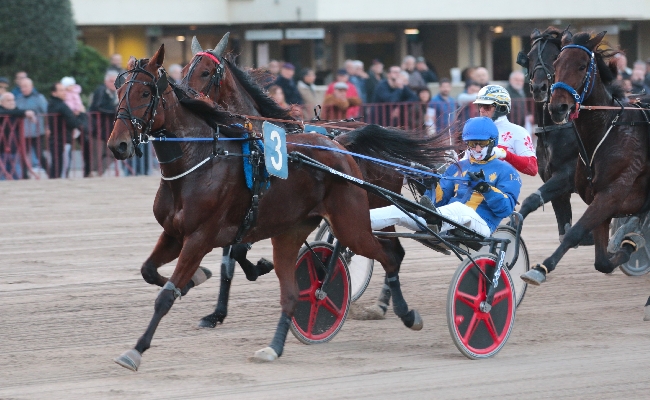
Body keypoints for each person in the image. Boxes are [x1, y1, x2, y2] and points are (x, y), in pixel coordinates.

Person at [370, 116, 521, 238]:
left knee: (459, 209)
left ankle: (433, 220)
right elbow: (439, 201)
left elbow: (506, 210)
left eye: (482, 143)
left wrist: (485, 189)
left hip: (481, 225)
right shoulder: (457, 167)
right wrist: (431, 185)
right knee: (396, 210)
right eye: (472, 143)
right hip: (446, 219)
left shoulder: (507, 172)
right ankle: (354, 223)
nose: (477, 148)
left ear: (493, 142)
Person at [473, 85, 538, 176]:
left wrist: (504, 154)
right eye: (480, 106)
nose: (481, 110)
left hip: (503, 188)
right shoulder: (474, 129)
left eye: (486, 106)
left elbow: (532, 168)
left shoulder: (518, 132)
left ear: (501, 108)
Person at [48, 82, 85, 179]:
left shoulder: (50, 104)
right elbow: (74, 123)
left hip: (55, 138)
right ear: (54, 93)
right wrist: (81, 114)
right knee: (63, 167)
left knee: (56, 166)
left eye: (64, 90)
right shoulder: (62, 106)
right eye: (61, 90)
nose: (64, 92)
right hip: (63, 139)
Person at [88, 70, 119, 177]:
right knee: (96, 155)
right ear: (106, 82)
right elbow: (98, 107)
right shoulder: (100, 91)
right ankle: (92, 174)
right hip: (98, 129)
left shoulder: (118, 93)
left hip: (110, 130)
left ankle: (98, 173)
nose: (113, 84)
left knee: (111, 154)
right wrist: (114, 110)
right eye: (111, 81)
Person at [15, 78, 48, 177]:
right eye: (22, 87)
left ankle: (51, 173)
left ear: (31, 87)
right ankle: (24, 176)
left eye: (25, 86)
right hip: (23, 132)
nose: (23, 89)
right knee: (23, 155)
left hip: (36, 132)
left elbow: (46, 113)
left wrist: (47, 127)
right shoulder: (18, 99)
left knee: (39, 155)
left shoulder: (39, 98)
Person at [0, 92, 36, 179]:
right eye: (8, 100)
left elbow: (17, 112)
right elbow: (4, 112)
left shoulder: (16, 111)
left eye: (13, 100)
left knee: (15, 172)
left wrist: (27, 113)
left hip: (14, 147)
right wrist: (25, 113)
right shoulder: (5, 111)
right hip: (2, 147)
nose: (12, 102)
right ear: (1, 102)